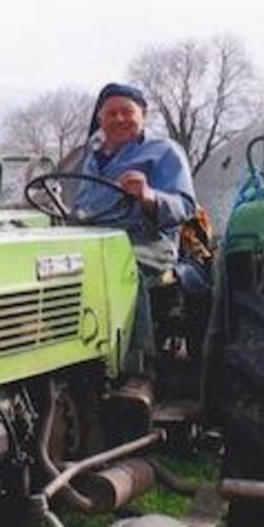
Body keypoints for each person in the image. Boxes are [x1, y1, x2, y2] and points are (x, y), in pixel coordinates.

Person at [71, 82, 199, 375]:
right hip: (94, 241)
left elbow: (185, 207)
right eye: (111, 113)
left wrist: (149, 196)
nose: (118, 119)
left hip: (148, 241)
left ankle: (136, 366)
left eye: (126, 112)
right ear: (100, 119)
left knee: (123, 268)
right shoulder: (91, 158)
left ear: (143, 115)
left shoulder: (164, 151)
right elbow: (80, 205)